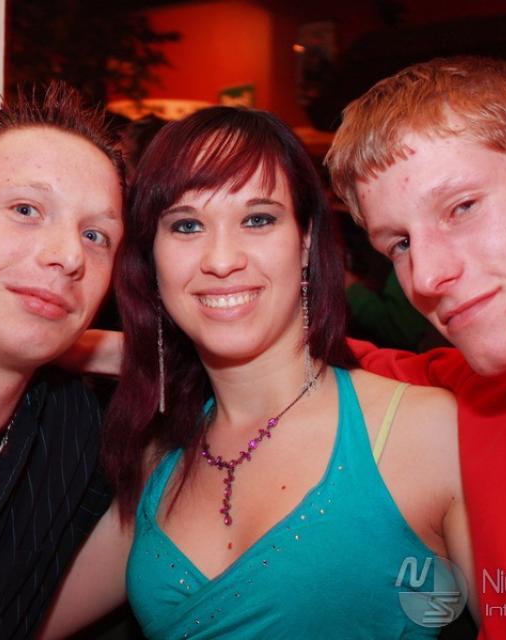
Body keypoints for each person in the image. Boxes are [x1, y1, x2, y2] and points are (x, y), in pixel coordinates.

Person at [40, 106, 474, 639]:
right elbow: (17, 620)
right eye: (187, 225)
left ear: (306, 240)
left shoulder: (425, 431)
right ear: (151, 257)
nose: (222, 259)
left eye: (258, 219)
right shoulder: (160, 453)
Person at [325, 56, 506, 638]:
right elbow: (324, 363)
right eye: (400, 244)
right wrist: (113, 349)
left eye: (462, 207)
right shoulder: (476, 397)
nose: (426, 277)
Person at [0, 82, 125, 638]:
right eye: (26, 209)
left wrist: (119, 351)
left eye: (96, 235)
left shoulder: (72, 431)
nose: (69, 255)